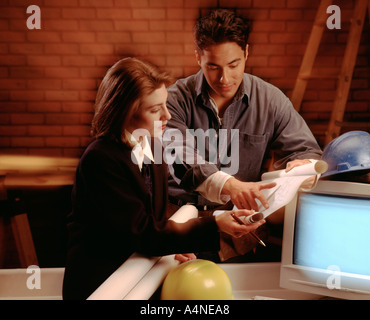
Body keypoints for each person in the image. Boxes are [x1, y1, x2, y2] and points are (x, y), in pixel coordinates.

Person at [62, 57, 264, 300]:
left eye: (165, 104)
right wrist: (217, 222)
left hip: (143, 274)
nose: (166, 115)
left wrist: (174, 248)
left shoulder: (154, 147)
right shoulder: (101, 159)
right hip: (105, 285)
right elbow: (143, 233)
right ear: (125, 113)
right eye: (154, 109)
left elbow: (152, 224)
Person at [165, 8, 322, 213]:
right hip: (177, 217)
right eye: (213, 67)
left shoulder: (271, 100)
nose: (225, 79)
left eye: (233, 65)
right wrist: (230, 186)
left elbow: (306, 151)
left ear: (246, 53)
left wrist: (306, 166)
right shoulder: (172, 99)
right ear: (198, 58)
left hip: (239, 219)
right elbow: (178, 156)